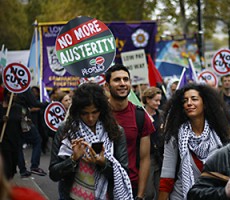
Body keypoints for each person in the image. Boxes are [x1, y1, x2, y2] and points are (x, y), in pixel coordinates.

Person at [49, 83, 132, 199]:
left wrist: (103, 164)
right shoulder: (66, 130)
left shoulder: (115, 131)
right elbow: (53, 174)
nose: (90, 118)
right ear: (77, 111)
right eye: (85, 113)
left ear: (102, 110)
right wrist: (73, 160)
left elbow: (124, 172)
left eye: (94, 112)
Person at [158, 83, 230, 200]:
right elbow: (167, 176)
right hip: (182, 196)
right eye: (185, 101)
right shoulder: (174, 135)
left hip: (214, 195)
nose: (189, 103)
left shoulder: (220, 135)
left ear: (205, 104)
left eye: (194, 99)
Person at [105, 64, 155, 199]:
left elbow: (145, 159)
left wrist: (140, 195)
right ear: (106, 86)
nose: (122, 83)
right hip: (103, 186)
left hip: (130, 187)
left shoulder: (140, 116)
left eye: (125, 79)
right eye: (117, 80)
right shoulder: (97, 114)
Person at [14, 89, 48, 177]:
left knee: (18, 145)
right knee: (37, 140)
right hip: (23, 117)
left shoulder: (10, 86)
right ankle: (34, 166)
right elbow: (34, 103)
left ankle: (22, 170)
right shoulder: (23, 87)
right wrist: (47, 104)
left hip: (12, 117)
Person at [142, 87, 164, 200]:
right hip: (147, 156)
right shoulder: (141, 115)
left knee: (160, 188)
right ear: (148, 99)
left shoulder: (161, 115)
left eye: (160, 100)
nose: (158, 103)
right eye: (156, 100)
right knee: (149, 192)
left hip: (160, 157)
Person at [0, 89, 22, 180]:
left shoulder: (18, 108)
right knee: (7, 167)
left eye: (15, 94)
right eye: (10, 93)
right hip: (4, 141)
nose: (13, 95)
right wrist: (1, 120)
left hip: (15, 141)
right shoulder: (0, 108)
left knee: (13, 167)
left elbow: (22, 123)